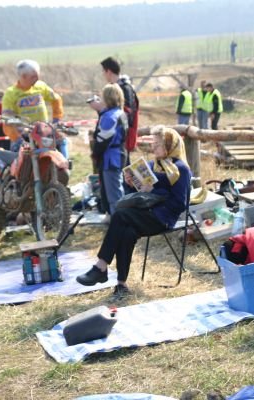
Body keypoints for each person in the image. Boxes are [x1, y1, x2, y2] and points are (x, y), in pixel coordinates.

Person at [76, 126, 191, 297]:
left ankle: (101, 267)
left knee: (120, 215)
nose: (153, 147)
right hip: (144, 213)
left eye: (158, 144)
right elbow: (139, 195)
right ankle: (121, 285)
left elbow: (180, 203)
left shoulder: (180, 169)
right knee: (127, 232)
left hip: (163, 218)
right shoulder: (153, 165)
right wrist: (131, 183)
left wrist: (153, 191)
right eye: (153, 143)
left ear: (170, 145)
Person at [1, 59, 67, 158]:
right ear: (23, 76)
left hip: (44, 131)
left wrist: (57, 119)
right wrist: (17, 138)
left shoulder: (41, 86)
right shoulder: (10, 93)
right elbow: (6, 119)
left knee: (61, 140)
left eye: (38, 75)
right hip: (24, 135)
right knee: (17, 159)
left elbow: (56, 99)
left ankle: (66, 165)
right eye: (33, 76)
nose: (37, 78)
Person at [91, 83, 128, 217]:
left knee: (114, 195)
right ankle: (114, 217)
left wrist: (95, 153)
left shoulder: (109, 116)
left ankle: (119, 221)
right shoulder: (119, 113)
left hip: (111, 158)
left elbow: (102, 140)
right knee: (112, 191)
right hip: (117, 155)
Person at [99, 56, 139, 161]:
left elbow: (128, 113)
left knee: (123, 166)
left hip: (123, 137)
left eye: (103, 71)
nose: (103, 74)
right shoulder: (117, 87)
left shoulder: (125, 88)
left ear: (108, 71)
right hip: (116, 136)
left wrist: (104, 109)